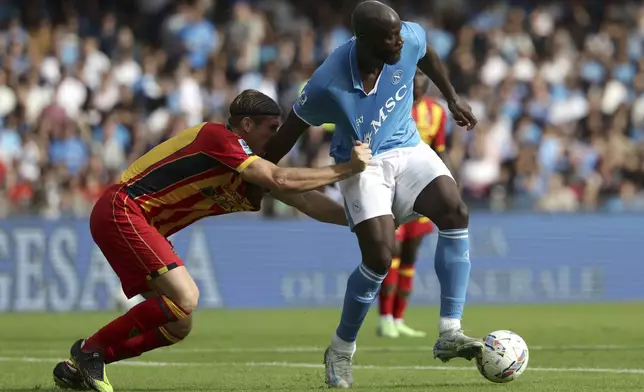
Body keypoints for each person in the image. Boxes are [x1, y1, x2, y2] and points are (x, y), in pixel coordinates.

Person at [52, 89, 372, 392]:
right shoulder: (218, 137)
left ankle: (84, 362)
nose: (277, 138)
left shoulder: (248, 170)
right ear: (246, 125)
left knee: (179, 323)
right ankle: (91, 350)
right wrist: (347, 169)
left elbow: (307, 202)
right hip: (122, 209)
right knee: (186, 296)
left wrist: (365, 218)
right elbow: (279, 177)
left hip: (139, 223)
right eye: (272, 128)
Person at [263, 1, 481, 388]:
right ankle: (341, 350)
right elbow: (289, 131)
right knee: (381, 257)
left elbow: (426, 51)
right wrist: (254, 172)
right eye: (390, 37)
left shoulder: (408, 38)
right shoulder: (328, 81)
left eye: (399, 33)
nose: (400, 41)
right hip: (361, 162)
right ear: (363, 40)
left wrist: (451, 96)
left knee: (455, 210)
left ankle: (450, 332)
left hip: (407, 144)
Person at [377, 69, 455, 338]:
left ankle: (399, 319)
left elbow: (440, 152)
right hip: (394, 193)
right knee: (392, 253)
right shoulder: (390, 109)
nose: (417, 91)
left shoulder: (438, 113)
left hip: (423, 193)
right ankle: (384, 317)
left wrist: (449, 186)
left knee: (410, 255)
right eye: (413, 87)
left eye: (421, 87)